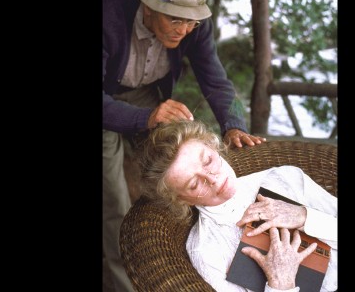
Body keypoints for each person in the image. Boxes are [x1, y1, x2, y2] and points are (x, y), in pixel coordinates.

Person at [102, 0, 266, 291]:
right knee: (113, 199)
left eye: (191, 22)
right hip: (105, 97)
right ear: (148, 7)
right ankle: (123, 281)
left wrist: (233, 125)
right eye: (175, 19)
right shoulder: (108, 13)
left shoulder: (194, 25)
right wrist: (144, 118)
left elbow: (216, 82)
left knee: (178, 176)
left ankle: (178, 257)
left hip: (150, 95)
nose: (184, 30)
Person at [138, 120, 338, 292]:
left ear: (214, 146)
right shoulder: (207, 252)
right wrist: (280, 283)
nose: (213, 180)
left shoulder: (284, 177)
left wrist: (304, 216)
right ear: (182, 200)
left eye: (208, 161)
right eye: (194, 184)